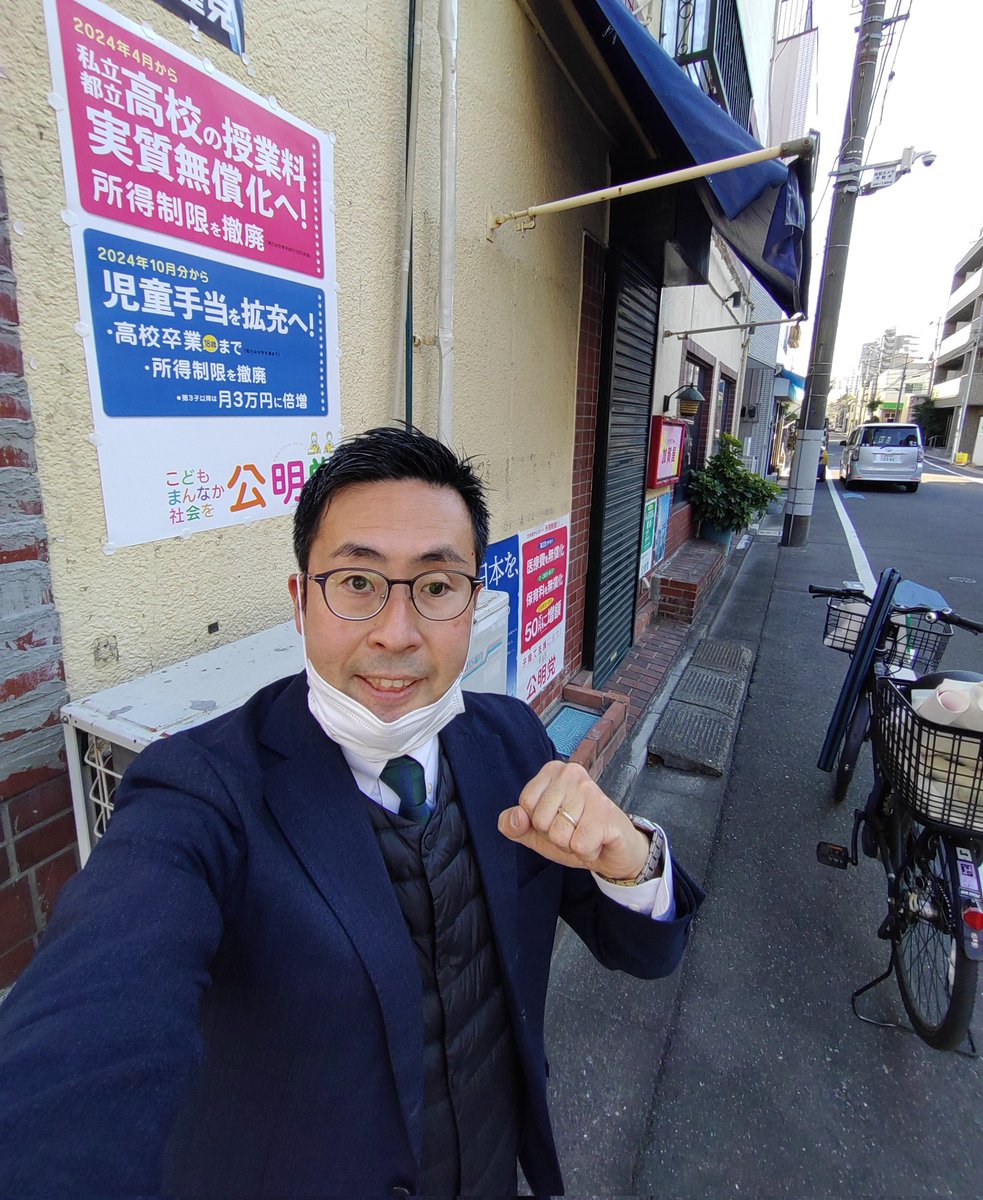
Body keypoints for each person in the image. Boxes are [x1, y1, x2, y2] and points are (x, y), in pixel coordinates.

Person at [0, 426, 702, 1197]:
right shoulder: (202, 791)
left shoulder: (511, 740)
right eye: (357, 582)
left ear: (472, 602)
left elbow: (646, 955)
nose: (395, 635)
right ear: (301, 602)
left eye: (436, 586)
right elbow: (92, 1015)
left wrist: (632, 859)